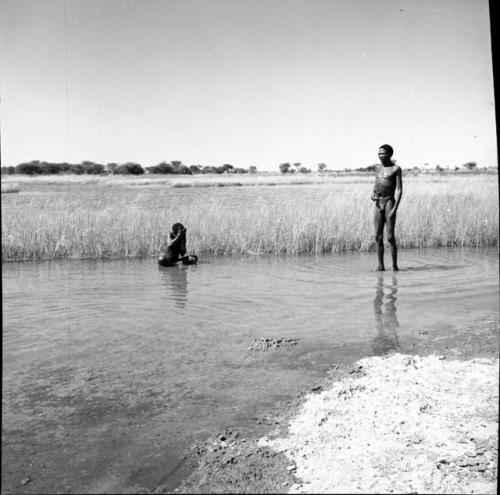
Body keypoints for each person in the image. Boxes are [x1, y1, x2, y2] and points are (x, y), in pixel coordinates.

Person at [370, 144, 403, 271]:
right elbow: (376, 185)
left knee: (390, 237)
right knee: (377, 236)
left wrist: (395, 208)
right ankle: (381, 267)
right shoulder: (377, 168)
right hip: (378, 203)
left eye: (383, 153)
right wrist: (373, 194)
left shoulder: (396, 169)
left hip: (389, 202)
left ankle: (395, 267)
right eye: (379, 153)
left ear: (390, 154)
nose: (380, 156)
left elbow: (399, 189)